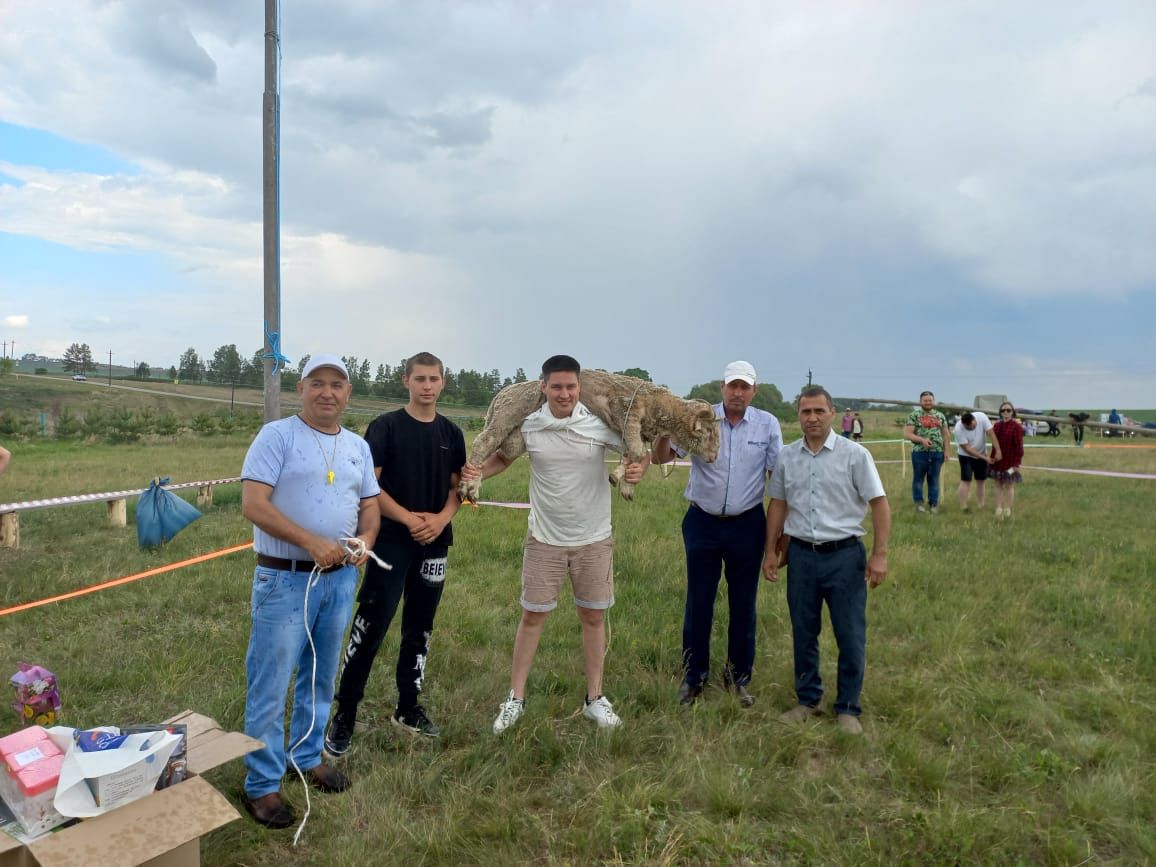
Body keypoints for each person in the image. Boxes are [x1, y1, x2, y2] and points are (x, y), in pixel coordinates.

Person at [460, 355, 648, 734]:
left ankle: (594, 699)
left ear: (580, 388)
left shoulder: (598, 425)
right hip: (544, 538)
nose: (564, 393)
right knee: (532, 617)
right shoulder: (530, 425)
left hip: (594, 538)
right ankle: (515, 698)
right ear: (543, 387)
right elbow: (503, 458)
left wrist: (636, 469)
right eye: (557, 386)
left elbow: (634, 452)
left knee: (593, 617)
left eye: (571, 386)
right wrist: (475, 470)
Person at [239, 354, 381, 829]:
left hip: (339, 580)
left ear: (348, 392)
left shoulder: (357, 446)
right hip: (284, 578)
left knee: (319, 673)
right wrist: (310, 542)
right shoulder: (276, 437)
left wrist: (365, 543)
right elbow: (254, 505)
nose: (327, 392)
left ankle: (307, 754)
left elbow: (370, 508)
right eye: (317, 383)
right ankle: (261, 783)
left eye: (336, 384)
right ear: (301, 389)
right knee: (271, 680)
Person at [324, 352, 467, 756]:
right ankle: (345, 714)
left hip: (435, 542)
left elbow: (460, 488)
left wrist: (440, 520)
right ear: (406, 380)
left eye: (433, 378)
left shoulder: (452, 433)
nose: (426, 385)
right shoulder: (385, 427)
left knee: (420, 627)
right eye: (419, 378)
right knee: (370, 625)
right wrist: (408, 519)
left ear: (443, 382)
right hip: (388, 541)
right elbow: (370, 487)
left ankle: (408, 707)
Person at [651, 360, 781, 708]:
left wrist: (779, 536)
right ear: (722, 387)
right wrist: (667, 427)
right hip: (702, 523)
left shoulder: (767, 425)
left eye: (745, 387)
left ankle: (738, 678)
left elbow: (778, 479)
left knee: (743, 604)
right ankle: (694, 678)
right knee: (699, 602)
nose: (738, 393)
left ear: (754, 390)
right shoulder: (700, 417)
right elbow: (660, 458)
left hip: (747, 524)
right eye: (732, 386)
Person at [762, 386, 890, 735]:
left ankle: (848, 707)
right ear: (798, 415)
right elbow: (778, 504)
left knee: (850, 634)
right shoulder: (788, 457)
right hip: (802, 556)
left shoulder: (855, 455)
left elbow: (879, 504)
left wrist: (879, 556)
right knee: (804, 632)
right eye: (806, 412)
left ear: (833, 413)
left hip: (845, 557)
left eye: (819, 411)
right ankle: (808, 700)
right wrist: (770, 550)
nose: (813, 418)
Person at [903, 391, 950, 514]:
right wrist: (921, 440)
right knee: (918, 479)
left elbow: (946, 434)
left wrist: (947, 451)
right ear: (920, 402)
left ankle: (933, 504)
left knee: (934, 479)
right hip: (919, 453)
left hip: (937, 452)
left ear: (933, 401)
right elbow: (908, 434)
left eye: (930, 400)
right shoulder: (914, 415)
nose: (928, 403)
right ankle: (919, 504)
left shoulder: (940, 415)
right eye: (925, 400)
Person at [952, 411, 1001, 512]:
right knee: (966, 480)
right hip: (965, 456)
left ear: (975, 419)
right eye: (968, 428)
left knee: (981, 480)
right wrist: (984, 458)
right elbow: (967, 448)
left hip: (982, 452)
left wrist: (998, 450)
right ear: (963, 424)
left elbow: (991, 434)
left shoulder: (982, 417)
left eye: (973, 426)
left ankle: (981, 505)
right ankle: (963, 506)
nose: (971, 428)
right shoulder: (958, 429)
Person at [990, 401, 1024, 519]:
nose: (1006, 412)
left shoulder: (1017, 427)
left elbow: (1019, 447)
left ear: (1012, 412)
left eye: (1008, 410)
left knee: (1009, 485)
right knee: (998, 484)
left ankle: (1007, 509)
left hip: (1010, 463)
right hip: (998, 462)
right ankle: (998, 508)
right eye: (1003, 410)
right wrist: (992, 458)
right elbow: (994, 444)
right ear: (1000, 412)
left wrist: (1016, 463)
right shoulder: (997, 426)